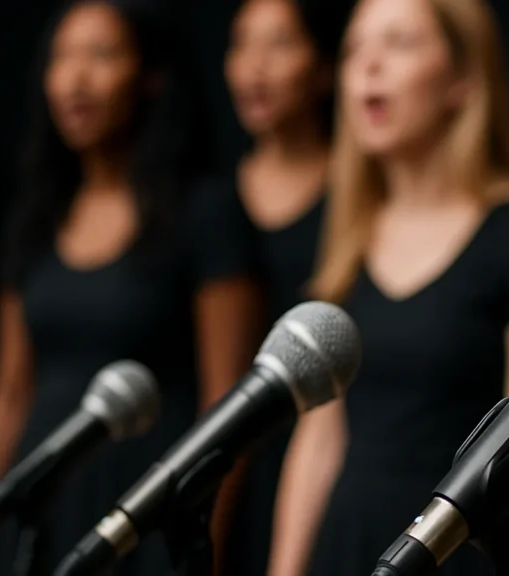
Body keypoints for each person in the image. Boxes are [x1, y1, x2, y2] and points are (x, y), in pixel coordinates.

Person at [266, 0, 509, 574]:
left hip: (459, 551)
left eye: (400, 43)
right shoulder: (347, 244)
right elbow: (318, 443)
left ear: (463, 80)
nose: (369, 65)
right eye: (354, 48)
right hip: (347, 544)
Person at [0, 1, 259, 574]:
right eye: (61, 58)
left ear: (151, 76)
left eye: (101, 56)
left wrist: (201, 545)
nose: (75, 78)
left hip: (146, 505)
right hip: (42, 495)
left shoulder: (203, 212)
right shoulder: (37, 219)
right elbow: (9, 391)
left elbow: (230, 401)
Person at [221, 0, 352, 573]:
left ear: (324, 68)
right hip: (225, 450)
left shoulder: (358, 196)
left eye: (279, 44)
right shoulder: (206, 200)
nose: (255, 66)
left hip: (321, 448)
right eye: (242, 43)